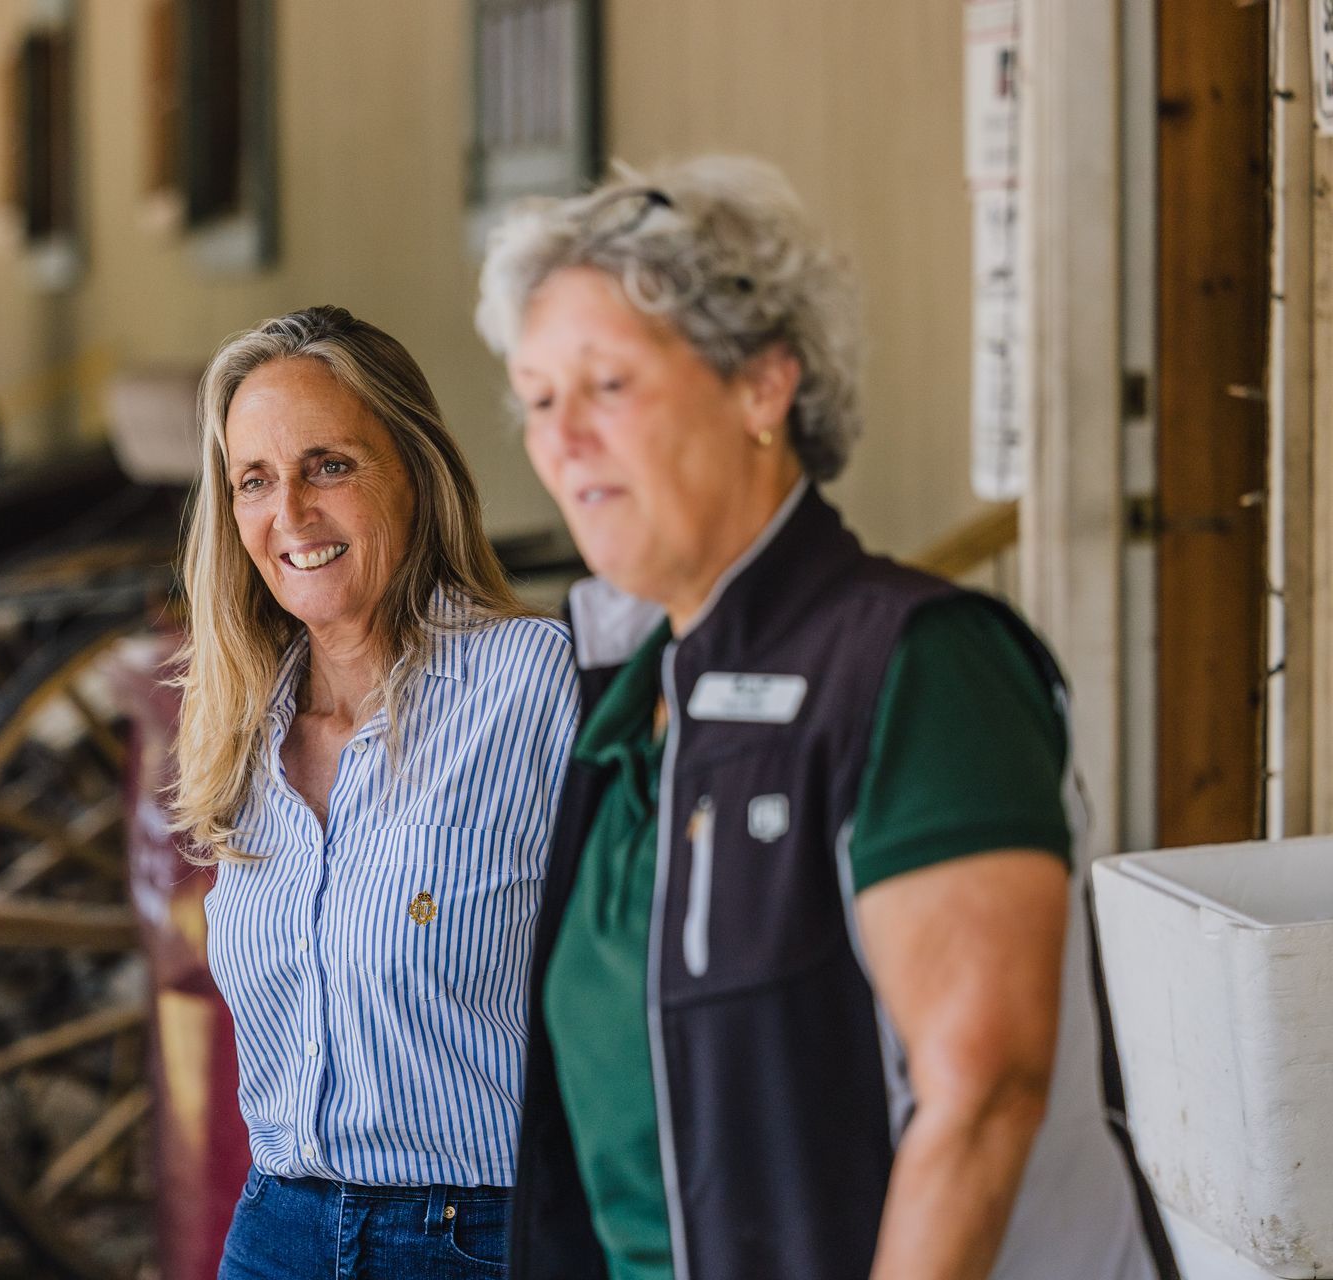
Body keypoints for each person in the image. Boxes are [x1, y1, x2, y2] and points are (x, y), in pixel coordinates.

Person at [472, 158, 1160, 1280]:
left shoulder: (919, 665)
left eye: (608, 384)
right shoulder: (633, 704)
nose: (564, 439)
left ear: (762, 386)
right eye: (540, 399)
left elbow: (983, 1097)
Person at [173, 305, 579, 1280]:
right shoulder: (237, 730)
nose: (292, 516)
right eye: (255, 481)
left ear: (412, 470)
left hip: (473, 1237)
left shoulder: (529, 682)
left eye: (330, 465)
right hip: (275, 1226)